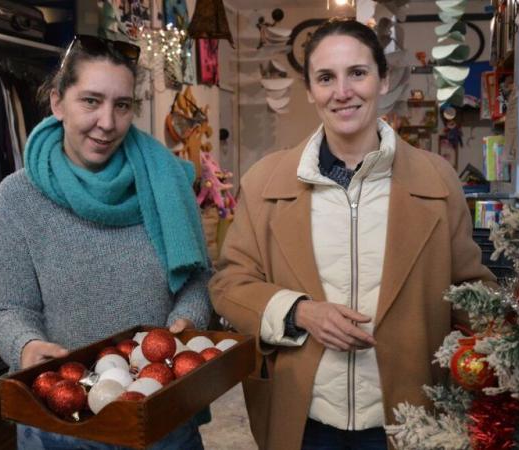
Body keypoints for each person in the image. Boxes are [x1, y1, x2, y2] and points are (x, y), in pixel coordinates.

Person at [209, 18, 495, 450]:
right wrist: (300, 312)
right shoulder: (266, 181)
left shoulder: (437, 180)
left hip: (408, 415)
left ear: (382, 80)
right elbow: (229, 284)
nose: (342, 92)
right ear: (310, 91)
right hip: (305, 416)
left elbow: (471, 292)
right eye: (326, 77)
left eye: (357, 73)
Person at [0, 34, 211, 450]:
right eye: (90, 101)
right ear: (57, 103)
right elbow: (9, 308)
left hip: (158, 412)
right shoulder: (18, 197)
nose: (108, 123)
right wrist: (27, 345)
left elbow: (195, 280)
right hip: (61, 421)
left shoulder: (168, 183)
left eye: (121, 105)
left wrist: (188, 319)